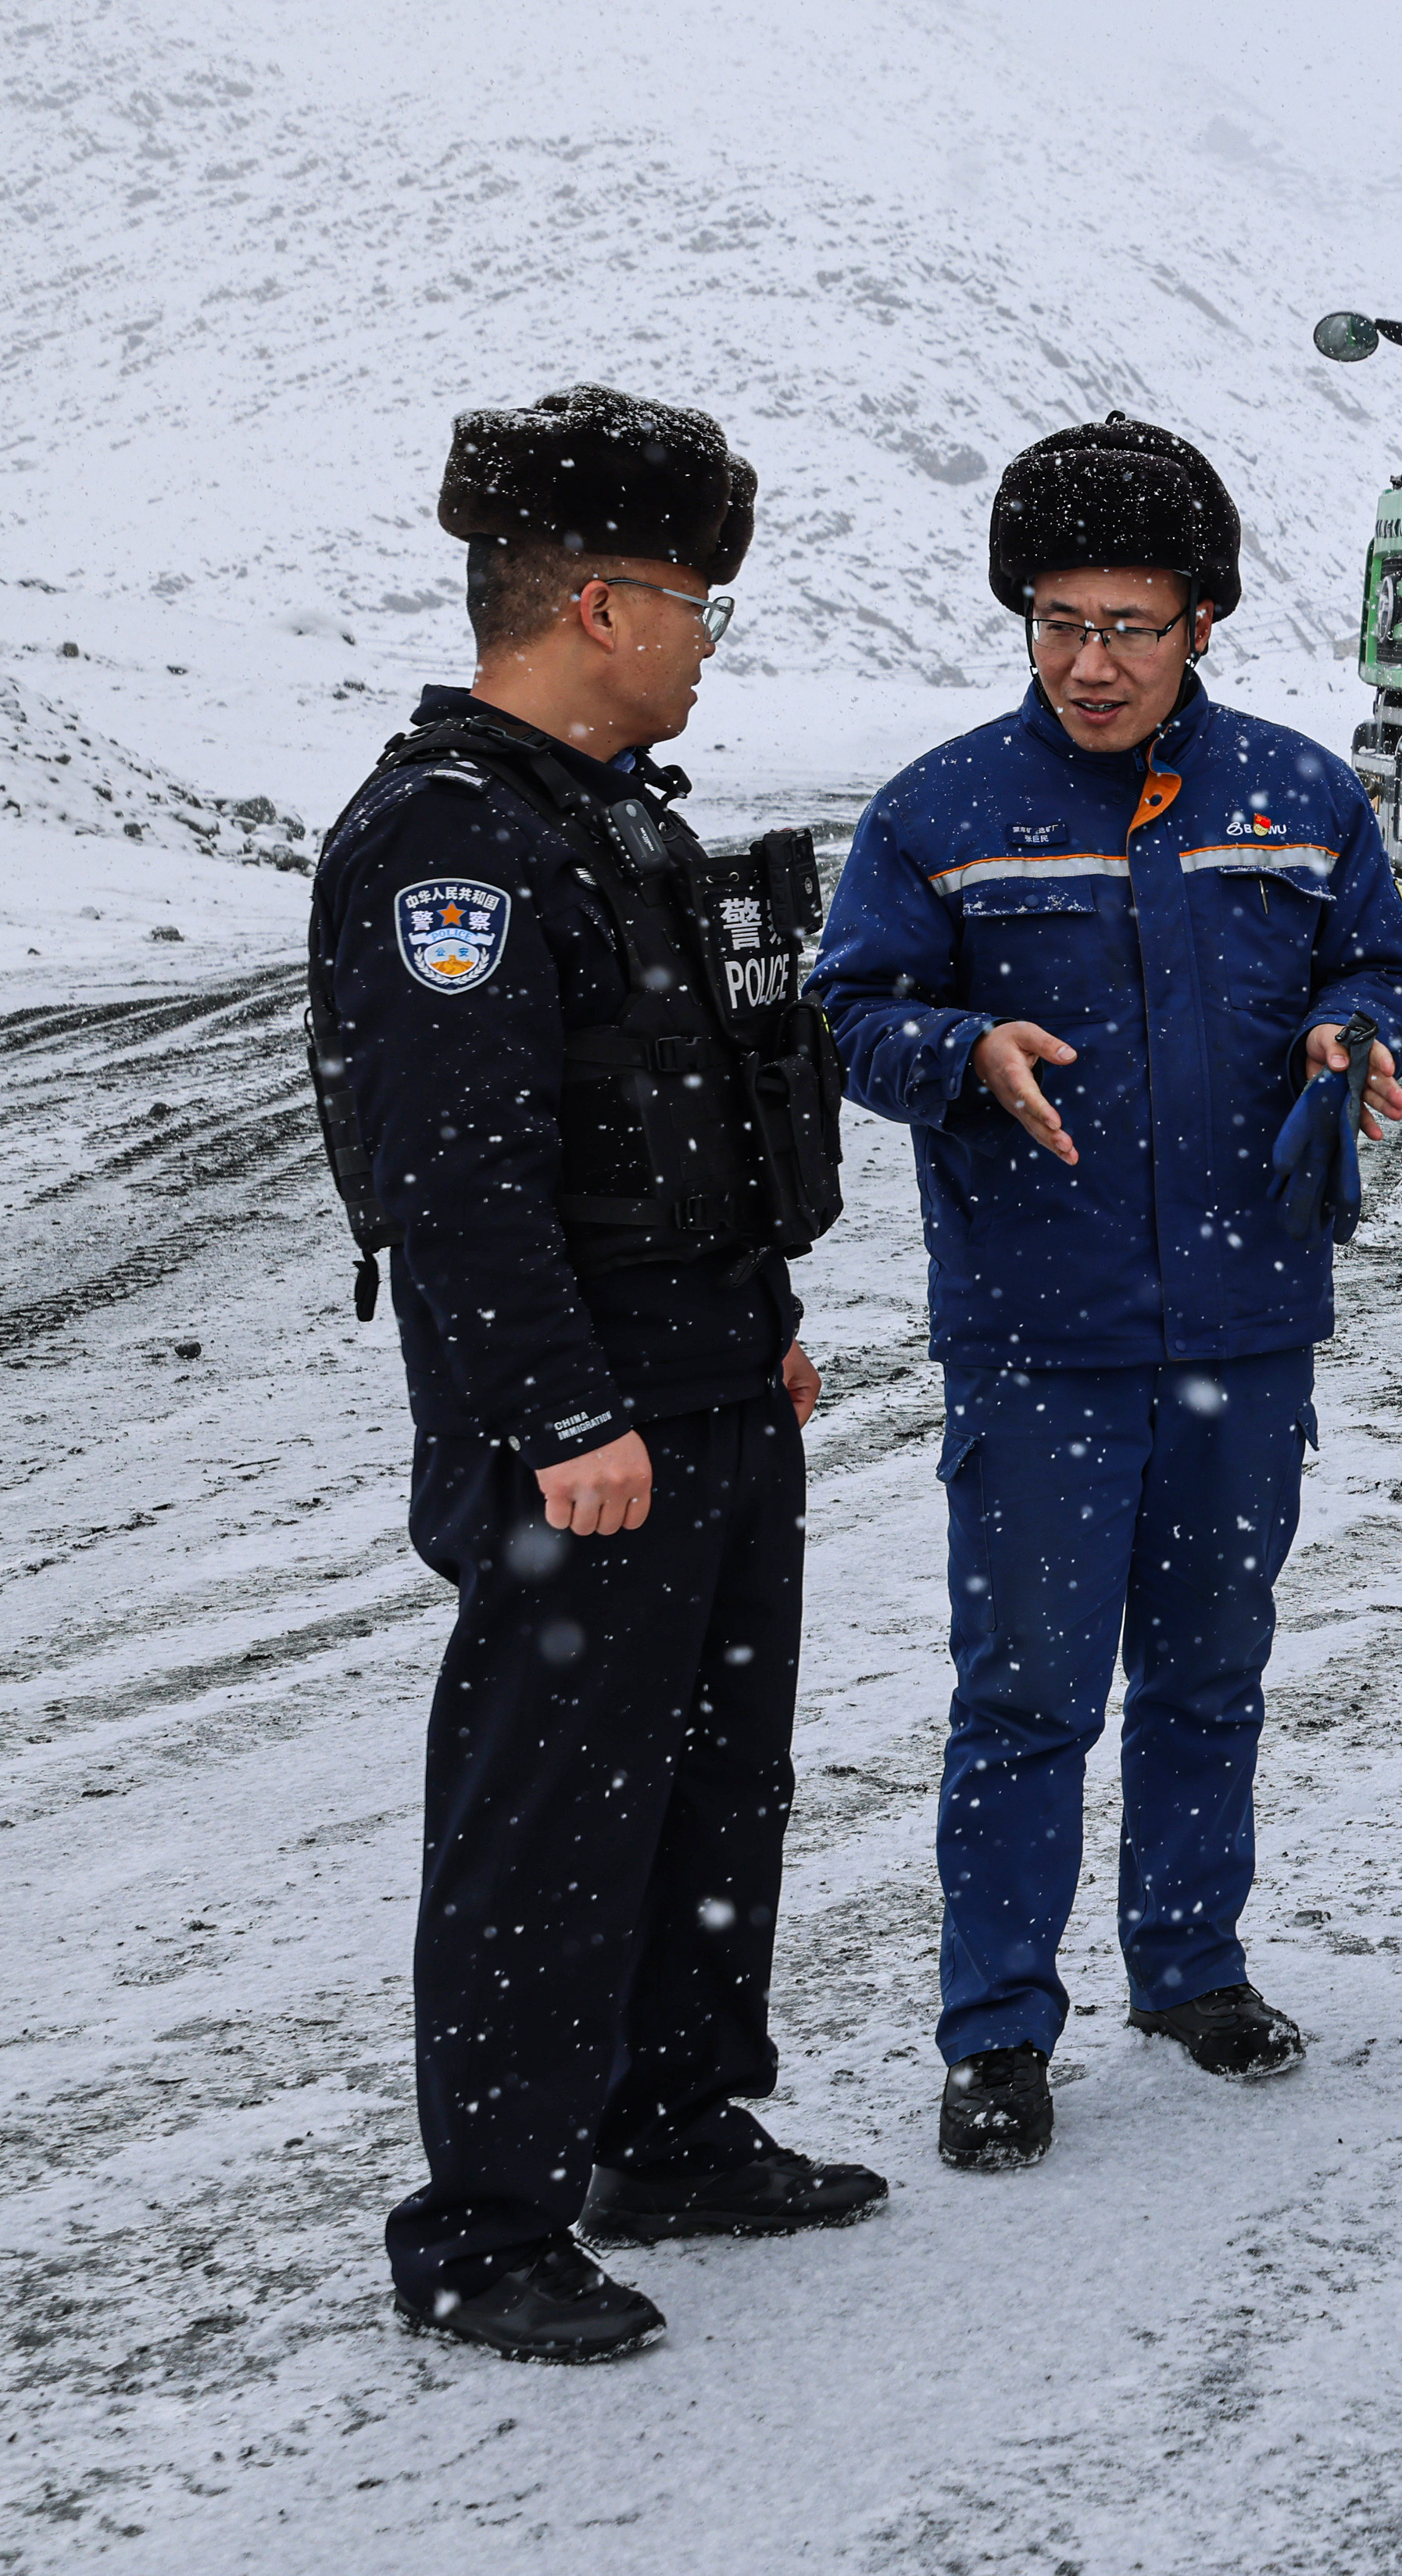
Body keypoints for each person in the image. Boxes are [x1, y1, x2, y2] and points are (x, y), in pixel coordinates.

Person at [311, 385, 877, 2364]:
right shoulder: (449, 846)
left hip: (710, 1388)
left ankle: (668, 2126)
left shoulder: (618, 823)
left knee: (717, 1789)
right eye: (699, 606)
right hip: (586, 1433)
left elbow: (692, 1120)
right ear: (603, 604)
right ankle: (482, 2224)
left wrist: (760, 1331)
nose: (712, 641)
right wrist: (567, 1420)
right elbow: (459, 1189)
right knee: (548, 1818)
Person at [810, 414, 1402, 2173]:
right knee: (1024, 1694)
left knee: (1212, 1672)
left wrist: (1354, 1030)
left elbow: (1384, 958)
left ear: (1205, 623)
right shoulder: (940, 810)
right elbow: (855, 1009)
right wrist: (957, 1045)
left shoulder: (1299, 797)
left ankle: (1191, 1964)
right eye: (1058, 623)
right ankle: (998, 2029)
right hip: (1044, 1335)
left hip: (1248, 1321)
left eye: (1131, 627)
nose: (1091, 663)